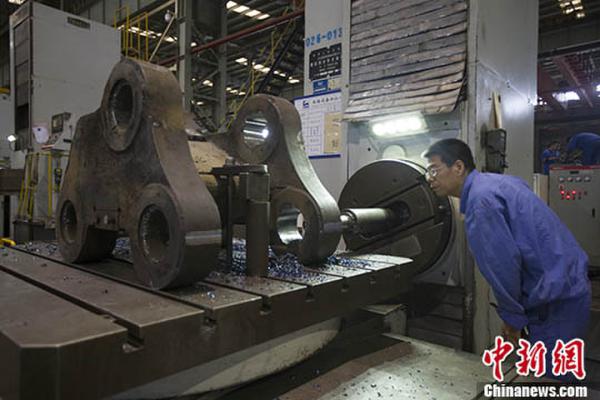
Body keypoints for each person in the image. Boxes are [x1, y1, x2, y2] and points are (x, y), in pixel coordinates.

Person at [423, 138, 591, 379]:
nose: (429, 178)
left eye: (434, 170)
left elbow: (502, 266)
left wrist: (512, 317)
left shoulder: (480, 202)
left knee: (550, 380)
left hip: (554, 302)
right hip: (568, 286)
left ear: (458, 167)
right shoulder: (497, 183)